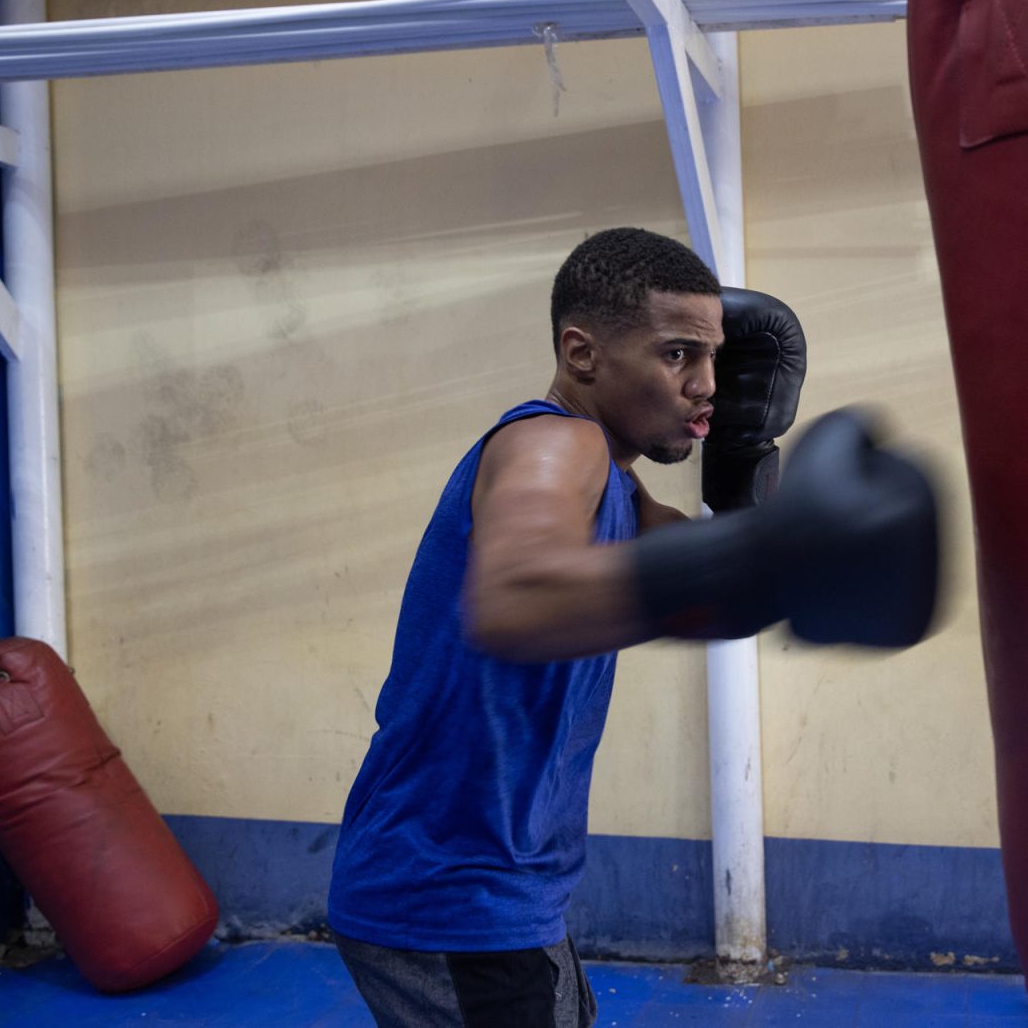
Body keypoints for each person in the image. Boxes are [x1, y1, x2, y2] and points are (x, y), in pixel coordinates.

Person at [327, 227, 940, 1028]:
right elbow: (513, 595)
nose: (707, 385)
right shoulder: (556, 442)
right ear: (582, 353)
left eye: (716, 359)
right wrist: (771, 554)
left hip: (494, 883)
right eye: (679, 354)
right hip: (452, 891)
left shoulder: (616, 488)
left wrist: (752, 501)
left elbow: (702, 594)